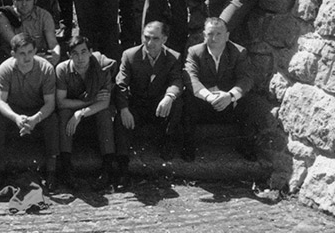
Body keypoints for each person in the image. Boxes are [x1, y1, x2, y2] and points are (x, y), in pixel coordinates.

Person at [113, 21, 184, 185]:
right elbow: (121, 84)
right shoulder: (130, 55)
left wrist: (169, 96)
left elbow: (177, 81)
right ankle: (122, 166)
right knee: (119, 119)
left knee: (177, 103)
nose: (150, 43)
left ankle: (167, 141)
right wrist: (124, 109)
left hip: (159, 106)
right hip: (137, 105)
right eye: (146, 37)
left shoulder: (173, 57)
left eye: (155, 38)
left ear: (164, 39)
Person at [0, 32, 59, 190]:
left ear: (35, 51)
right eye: (22, 53)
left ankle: (52, 170)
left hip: (37, 109)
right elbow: (0, 101)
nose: (27, 57)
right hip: (14, 110)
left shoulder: (46, 68)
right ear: (13, 54)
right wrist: (16, 118)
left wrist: (35, 119)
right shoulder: (5, 69)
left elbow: (50, 103)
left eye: (30, 52)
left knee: (52, 119)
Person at [183, 17, 256, 161]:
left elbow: (246, 78)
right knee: (187, 99)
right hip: (203, 102)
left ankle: (246, 147)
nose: (214, 38)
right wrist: (208, 96)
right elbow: (190, 77)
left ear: (227, 36)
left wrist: (230, 96)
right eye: (210, 34)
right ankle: (188, 148)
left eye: (219, 34)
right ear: (204, 35)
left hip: (227, 103)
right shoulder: (194, 52)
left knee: (247, 102)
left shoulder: (238, 52)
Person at [55, 36, 118, 191]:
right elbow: (61, 102)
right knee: (64, 113)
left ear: (90, 52)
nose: (80, 58)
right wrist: (89, 101)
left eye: (84, 52)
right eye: (75, 53)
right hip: (72, 116)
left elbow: (104, 102)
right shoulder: (62, 69)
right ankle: (66, 168)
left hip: (90, 114)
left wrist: (81, 113)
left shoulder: (101, 67)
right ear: (69, 55)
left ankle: (107, 168)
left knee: (104, 114)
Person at [0, 0, 61, 74]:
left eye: (28, 0)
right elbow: (16, 43)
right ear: (13, 0)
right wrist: (33, 58)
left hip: (39, 58)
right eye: (20, 0)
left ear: (35, 0)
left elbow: (53, 43)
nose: (24, 4)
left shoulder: (44, 16)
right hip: (13, 59)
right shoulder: (3, 16)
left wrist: (56, 55)